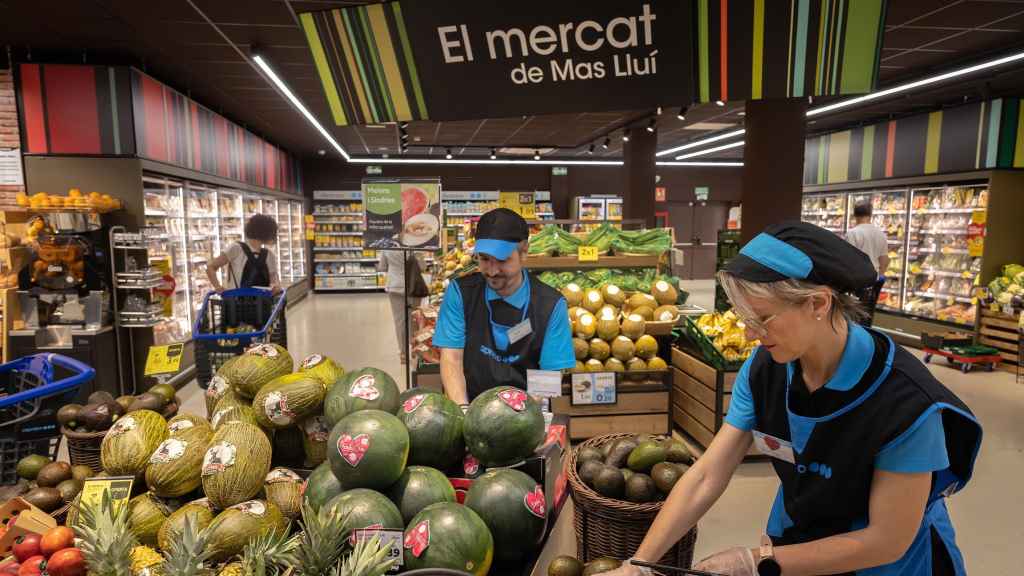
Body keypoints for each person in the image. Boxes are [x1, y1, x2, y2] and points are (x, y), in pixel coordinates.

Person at [608, 222, 981, 576]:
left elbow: (887, 540)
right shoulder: (764, 370)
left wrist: (759, 560)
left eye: (763, 318)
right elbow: (707, 474)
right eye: (743, 318)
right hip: (799, 537)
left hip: (884, 564)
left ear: (818, 304)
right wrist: (641, 562)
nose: (751, 335)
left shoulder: (905, 403)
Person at [433, 208, 575, 406]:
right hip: (469, 404)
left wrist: (517, 417)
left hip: (525, 410)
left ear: (524, 251)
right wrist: (463, 410)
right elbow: (452, 359)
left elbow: (550, 372)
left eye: (502, 260)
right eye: (484, 259)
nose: (492, 271)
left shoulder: (550, 305)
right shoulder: (460, 293)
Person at [206, 214, 282, 293]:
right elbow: (211, 267)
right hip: (239, 302)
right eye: (273, 233)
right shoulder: (236, 248)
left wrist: (276, 288)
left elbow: (274, 281)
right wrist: (218, 287)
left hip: (260, 303)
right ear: (264, 232)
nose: (275, 237)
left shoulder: (269, 255)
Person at [379, 249, 426, 364]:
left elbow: (382, 267)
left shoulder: (388, 246)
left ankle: (403, 354)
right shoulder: (415, 246)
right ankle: (415, 349)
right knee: (414, 318)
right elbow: (422, 267)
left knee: (399, 321)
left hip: (395, 286)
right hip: (413, 286)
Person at [846, 202, 889, 324]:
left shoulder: (853, 233)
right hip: (873, 280)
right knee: (868, 317)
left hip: (857, 282)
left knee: (854, 317)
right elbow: (884, 259)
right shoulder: (880, 234)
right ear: (870, 215)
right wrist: (880, 274)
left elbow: (849, 258)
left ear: (854, 215)